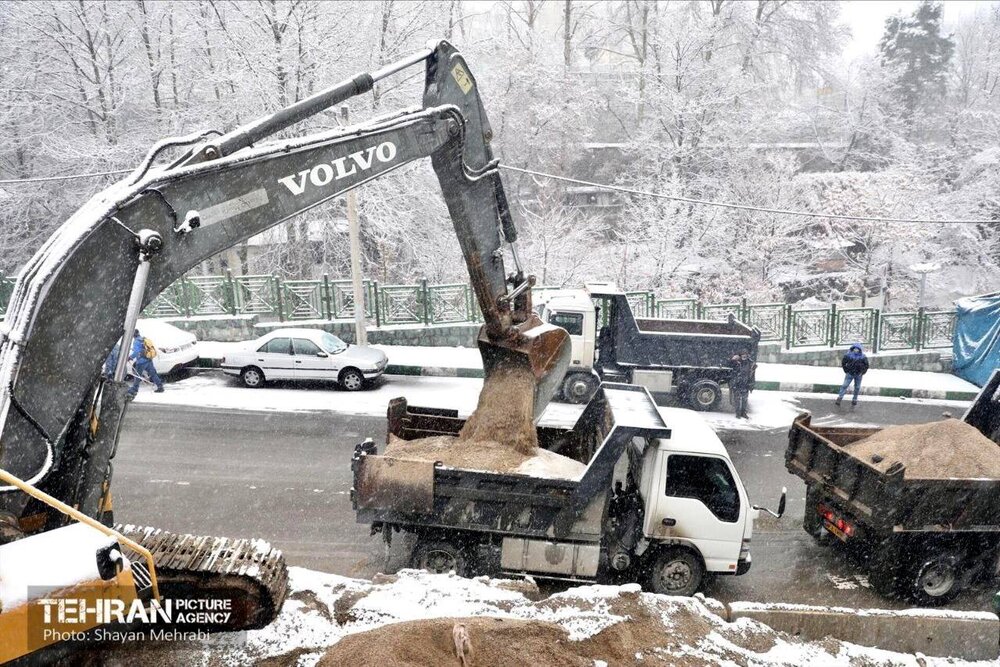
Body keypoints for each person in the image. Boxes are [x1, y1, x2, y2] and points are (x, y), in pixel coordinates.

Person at [129, 329, 164, 396]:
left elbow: (136, 352)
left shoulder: (136, 341)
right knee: (153, 374)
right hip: (148, 359)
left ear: (133, 335)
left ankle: (134, 389)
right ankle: (160, 386)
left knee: (137, 375)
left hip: (141, 362)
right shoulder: (143, 339)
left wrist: (130, 357)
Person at [729, 349, 756, 419]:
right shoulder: (736, 362)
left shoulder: (750, 363)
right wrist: (733, 359)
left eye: (745, 355)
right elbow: (730, 365)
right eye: (743, 355)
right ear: (740, 355)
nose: (744, 356)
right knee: (737, 399)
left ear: (747, 355)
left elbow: (752, 375)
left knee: (744, 399)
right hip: (737, 383)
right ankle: (738, 413)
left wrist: (751, 385)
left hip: (746, 384)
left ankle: (743, 413)